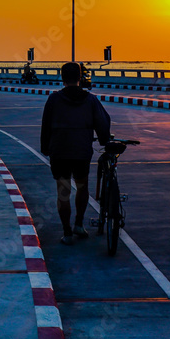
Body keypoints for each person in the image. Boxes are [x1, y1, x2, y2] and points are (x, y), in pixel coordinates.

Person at [40, 62, 111, 245]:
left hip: (60, 151)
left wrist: (45, 148)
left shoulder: (54, 100)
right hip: (81, 151)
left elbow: (45, 125)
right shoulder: (90, 100)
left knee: (63, 191)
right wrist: (104, 140)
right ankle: (79, 224)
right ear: (80, 77)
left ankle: (67, 233)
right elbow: (103, 122)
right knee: (82, 186)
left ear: (62, 78)